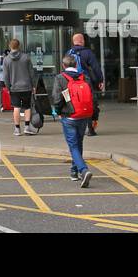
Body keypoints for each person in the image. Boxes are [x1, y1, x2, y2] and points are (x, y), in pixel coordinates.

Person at [52, 54, 95, 187]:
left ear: (63, 66)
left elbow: (57, 99)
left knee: (73, 145)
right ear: (76, 65)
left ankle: (83, 170)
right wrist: (94, 116)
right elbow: (92, 98)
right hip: (83, 115)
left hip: (69, 116)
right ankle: (74, 172)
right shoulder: (85, 77)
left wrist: (58, 112)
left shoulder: (60, 78)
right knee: (78, 143)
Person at [69, 32, 104, 135]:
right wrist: (100, 80)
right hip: (85, 82)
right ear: (82, 41)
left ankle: (76, 128)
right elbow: (95, 67)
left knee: (75, 104)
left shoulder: (68, 53)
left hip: (72, 83)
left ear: (73, 42)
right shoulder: (88, 52)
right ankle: (90, 128)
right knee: (90, 103)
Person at [1, 38, 37, 137]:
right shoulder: (26, 57)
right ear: (19, 46)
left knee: (16, 107)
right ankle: (27, 127)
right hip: (26, 87)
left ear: (10, 47)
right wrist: (34, 85)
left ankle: (17, 129)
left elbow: (6, 76)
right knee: (27, 107)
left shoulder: (6, 59)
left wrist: (8, 87)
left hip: (14, 88)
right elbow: (31, 73)